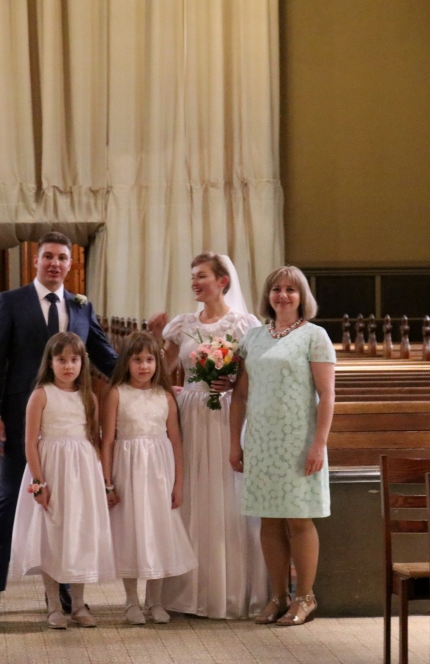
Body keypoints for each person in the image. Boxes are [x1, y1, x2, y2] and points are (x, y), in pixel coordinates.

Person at [0, 231, 118, 620]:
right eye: (48, 256)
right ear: (35, 261)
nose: (55, 263)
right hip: (22, 415)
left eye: (62, 258)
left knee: (66, 505)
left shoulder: (81, 306)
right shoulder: (11, 301)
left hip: (68, 424)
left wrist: (149, 379)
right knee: (9, 497)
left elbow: (105, 356)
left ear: (70, 264)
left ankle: (65, 589)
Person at [148, 253, 269, 619]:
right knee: (191, 495)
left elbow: (256, 376)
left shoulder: (244, 325)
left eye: (201, 276)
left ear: (222, 281)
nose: (195, 283)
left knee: (226, 496)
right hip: (190, 415)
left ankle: (228, 592)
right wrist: (154, 338)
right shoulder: (183, 325)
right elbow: (160, 371)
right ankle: (185, 592)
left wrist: (233, 382)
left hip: (227, 416)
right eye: (193, 277)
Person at [228, 265, 336, 626]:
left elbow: (327, 395)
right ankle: (278, 596)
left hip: (298, 439)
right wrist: (235, 442)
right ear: (268, 295)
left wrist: (319, 444)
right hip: (261, 439)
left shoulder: (314, 336)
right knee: (269, 518)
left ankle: (305, 597)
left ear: (302, 296)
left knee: (298, 517)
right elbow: (240, 395)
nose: (283, 295)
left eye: (291, 289)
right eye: (277, 289)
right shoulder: (253, 337)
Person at [8, 332, 116, 629]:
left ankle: (79, 604)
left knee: (81, 533)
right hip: (52, 469)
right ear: (50, 362)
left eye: (74, 359)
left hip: (83, 472)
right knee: (53, 535)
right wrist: (38, 483)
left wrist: (103, 481)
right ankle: (54, 604)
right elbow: (30, 444)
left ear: (83, 362)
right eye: (61, 360)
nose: (68, 366)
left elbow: (95, 440)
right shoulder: (41, 395)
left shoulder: (89, 397)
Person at [101, 332, 197, 626]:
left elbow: (176, 441)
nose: (144, 366)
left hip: (158, 473)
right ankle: (131, 600)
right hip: (127, 472)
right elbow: (108, 441)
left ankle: (154, 600)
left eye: (150, 360)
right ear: (126, 363)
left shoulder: (165, 396)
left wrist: (178, 484)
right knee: (130, 532)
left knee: (158, 531)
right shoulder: (117, 394)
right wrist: (107, 483)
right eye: (137, 360)